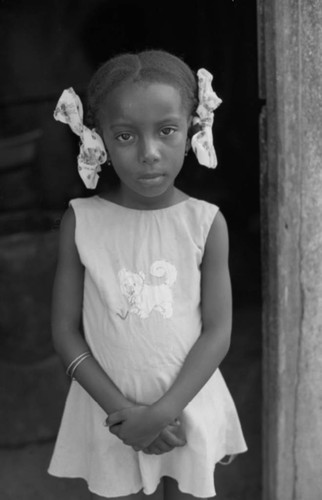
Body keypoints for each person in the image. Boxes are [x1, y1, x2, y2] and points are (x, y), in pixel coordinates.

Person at [48, 49, 247, 500]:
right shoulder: (81, 221)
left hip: (187, 408)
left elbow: (218, 332)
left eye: (167, 130)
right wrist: (125, 415)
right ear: (97, 138)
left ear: (194, 130)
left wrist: (161, 413)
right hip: (109, 414)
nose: (149, 153)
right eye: (124, 136)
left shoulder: (205, 222)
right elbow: (64, 332)